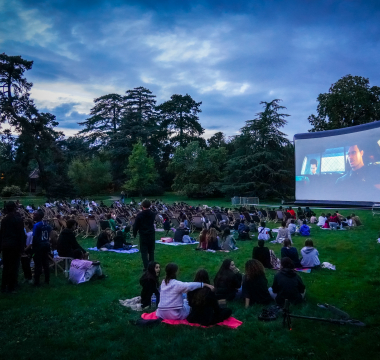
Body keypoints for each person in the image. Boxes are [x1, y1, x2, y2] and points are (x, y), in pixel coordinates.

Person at [0, 201, 26, 293]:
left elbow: (1, 234)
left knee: (6, 266)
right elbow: (21, 235)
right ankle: (11, 287)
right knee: (14, 267)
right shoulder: (18, 219)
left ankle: (3, 286)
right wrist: (22, 248)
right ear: (15, 208)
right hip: (15, 245)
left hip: (5, 245)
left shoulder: (4, 220)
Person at [133, 199, 156, 271]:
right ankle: (152, 266)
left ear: (142, 206)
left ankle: (146, 267)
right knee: (151, 251)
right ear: (150, 205)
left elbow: (136, 225)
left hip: (143, 235)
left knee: (144, 252)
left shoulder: (139, 215)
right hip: (151, 234)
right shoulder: (153, 214)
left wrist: (134, 233)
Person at [32, 210, 52, 286]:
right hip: (46, 245)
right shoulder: (46, 224)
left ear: (39, 216)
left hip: (39, 246)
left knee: (38, 264)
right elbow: (50, 231)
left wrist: (33, 249)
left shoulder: (36, 225)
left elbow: (35, 237)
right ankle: (47, 280)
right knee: (45, 263)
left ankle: (36, 282)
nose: (33, 216)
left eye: (35, 215)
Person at [21, 219, 34, 283]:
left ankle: (30, 278)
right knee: (23, 264)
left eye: (24, 225)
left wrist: (25, 249)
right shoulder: (24, 233)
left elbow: (31, 244)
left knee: (27, 264)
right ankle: (26, 277)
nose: (23, 226)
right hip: (23, 250)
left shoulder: (31, 234)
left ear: (27, 225)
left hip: (28, 250)